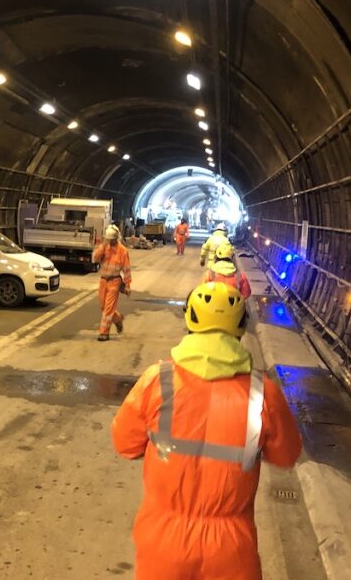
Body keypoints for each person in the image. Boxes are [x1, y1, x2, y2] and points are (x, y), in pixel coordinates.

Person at [111, 282, 302, 579]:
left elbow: (125, 445)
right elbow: (287, 455)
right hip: (231, 549)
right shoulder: (263, 394)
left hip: (162, 543)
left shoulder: (157, 381)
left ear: (190, 320)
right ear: (240, 326)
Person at [92, 224, 131, 341]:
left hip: (115, 281)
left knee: (108, 309)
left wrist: (127, 285)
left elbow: (126, 269)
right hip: (103, 281)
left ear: (116, 238)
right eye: (108, 240)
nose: (110, 242)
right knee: (103, 307)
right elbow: (95, 258)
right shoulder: (104, 247)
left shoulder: (123, 251)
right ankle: (118, 318)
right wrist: (103, 246)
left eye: (112, 240)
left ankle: (104, 333)